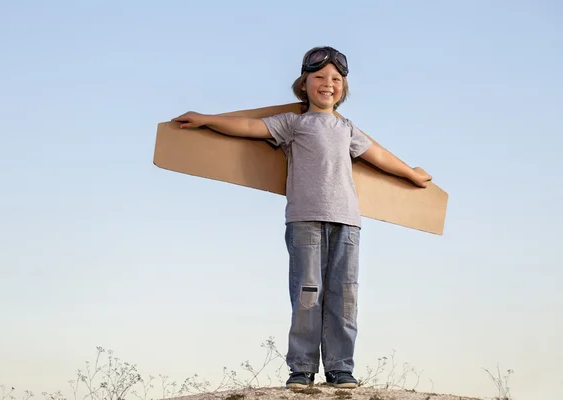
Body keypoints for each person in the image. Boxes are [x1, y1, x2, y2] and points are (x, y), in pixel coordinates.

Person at [172, 46, 432, 390]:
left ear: (343, 89)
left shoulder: (348, 129)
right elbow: (249, 127)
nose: (328, 84)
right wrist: (207, 119)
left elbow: (379, 156)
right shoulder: (292, 124)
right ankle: (302, 368)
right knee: (308, 294)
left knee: (344, 294)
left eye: (336, 79)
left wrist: (411, 173)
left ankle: (341, 368)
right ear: (304, 85)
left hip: (348, 223)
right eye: (320, 77)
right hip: (305, 221)